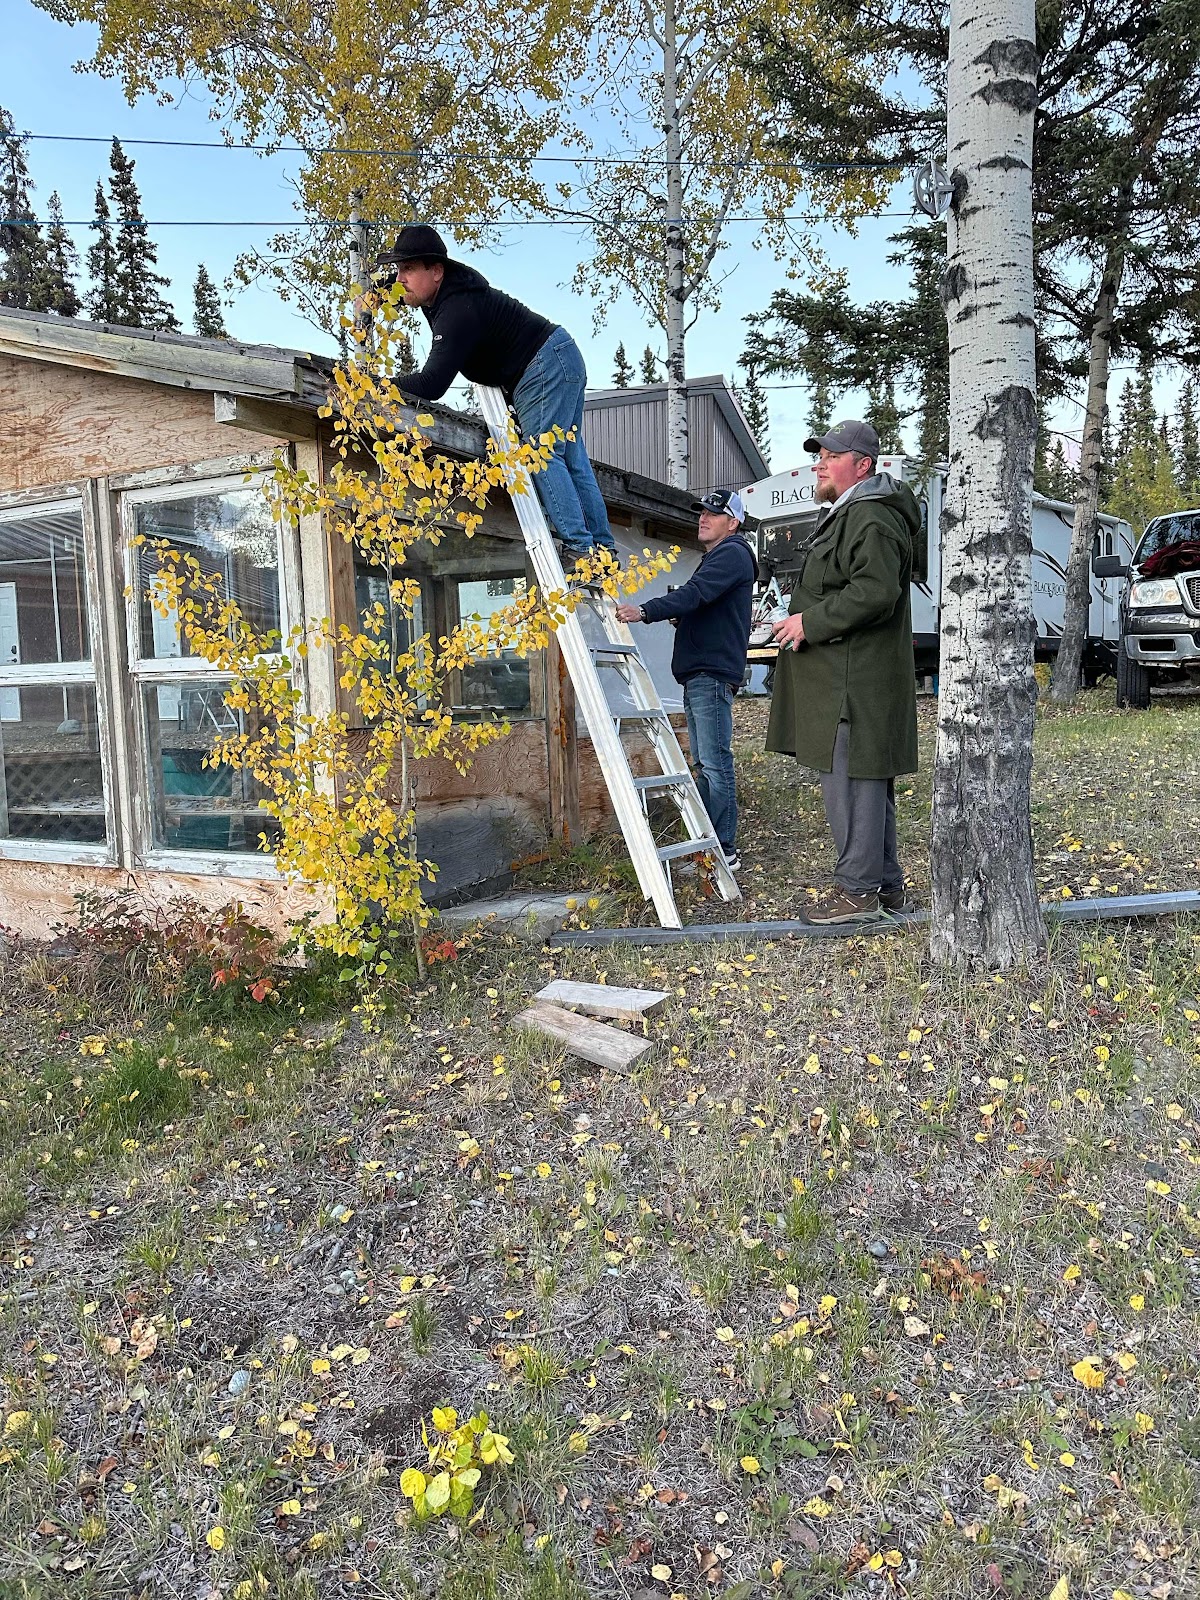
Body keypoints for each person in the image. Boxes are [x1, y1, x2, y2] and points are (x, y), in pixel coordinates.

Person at [368, 225, 615, 564]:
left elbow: (432, 384)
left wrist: (375, 386)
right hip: (561, 355)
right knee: (571, 459)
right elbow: (403, 290)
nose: (400, 278)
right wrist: (375, 293)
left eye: (407, 268)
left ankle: (582, 551)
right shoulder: (443, 290)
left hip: (542, 366)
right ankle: (603, 551)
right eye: (397, 270)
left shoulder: (457, 308)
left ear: (436, 271)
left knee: (540, 455)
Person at [766, 420, 919, 923]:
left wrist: (808, 622)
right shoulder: (854, 512)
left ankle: (858, 894)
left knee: (853, 785)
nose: (820, 465)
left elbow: (875, 591)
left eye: (831, 457)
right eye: (820, 457)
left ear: (862, 465)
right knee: (866, 785)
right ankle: (887, 888)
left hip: (852, 684)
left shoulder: (871, 517)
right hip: (845, 678)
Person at [616, 489, 755, 872]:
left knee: (714, 762)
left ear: (733, 522)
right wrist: (685, 616)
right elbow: (704, 602)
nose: (703, 518)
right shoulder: (720, 557)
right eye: (701, 512)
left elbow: (696, 593)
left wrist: (645, 611)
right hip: (701, 674)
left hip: (711, 674)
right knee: (704, 763)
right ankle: (709, 846)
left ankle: (723, 849)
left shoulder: (732, 553)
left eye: (713, 513)